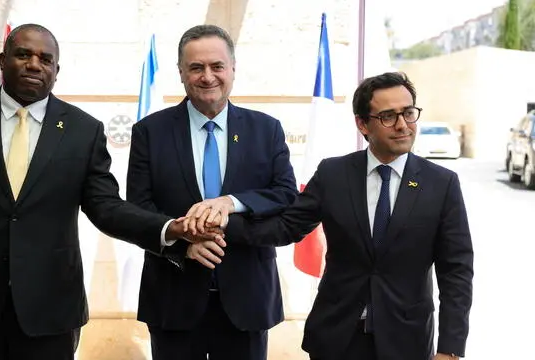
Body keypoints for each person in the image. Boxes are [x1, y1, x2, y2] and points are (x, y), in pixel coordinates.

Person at [0, 23, 223, 360]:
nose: (34, 64)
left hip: (50, 313)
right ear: (3, 60)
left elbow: (106, 207)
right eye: (23, 54)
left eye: (46, 59)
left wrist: (169, 229)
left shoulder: (83, 130)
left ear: (56, 71)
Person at [191, 72, 474, 360]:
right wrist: (221, 222)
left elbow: (457, 272)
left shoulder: (442, 184)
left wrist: (450, 349)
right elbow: (286, 227)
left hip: (407, 341)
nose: (403, 125)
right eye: (388, 116)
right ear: (362, 124)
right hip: (336, 338)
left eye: (409, 113)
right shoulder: (333, 174)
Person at [126, 24, 297, 360]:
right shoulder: (150, 132)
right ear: (180, 73)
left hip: (247, 300)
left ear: (232, 69)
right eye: (196, 67)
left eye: (217, 66)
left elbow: (286, 194)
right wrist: (180, 245)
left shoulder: (266, 129)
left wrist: (231, 203)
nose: (207, 77)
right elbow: (138, 209)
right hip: (173, 297)